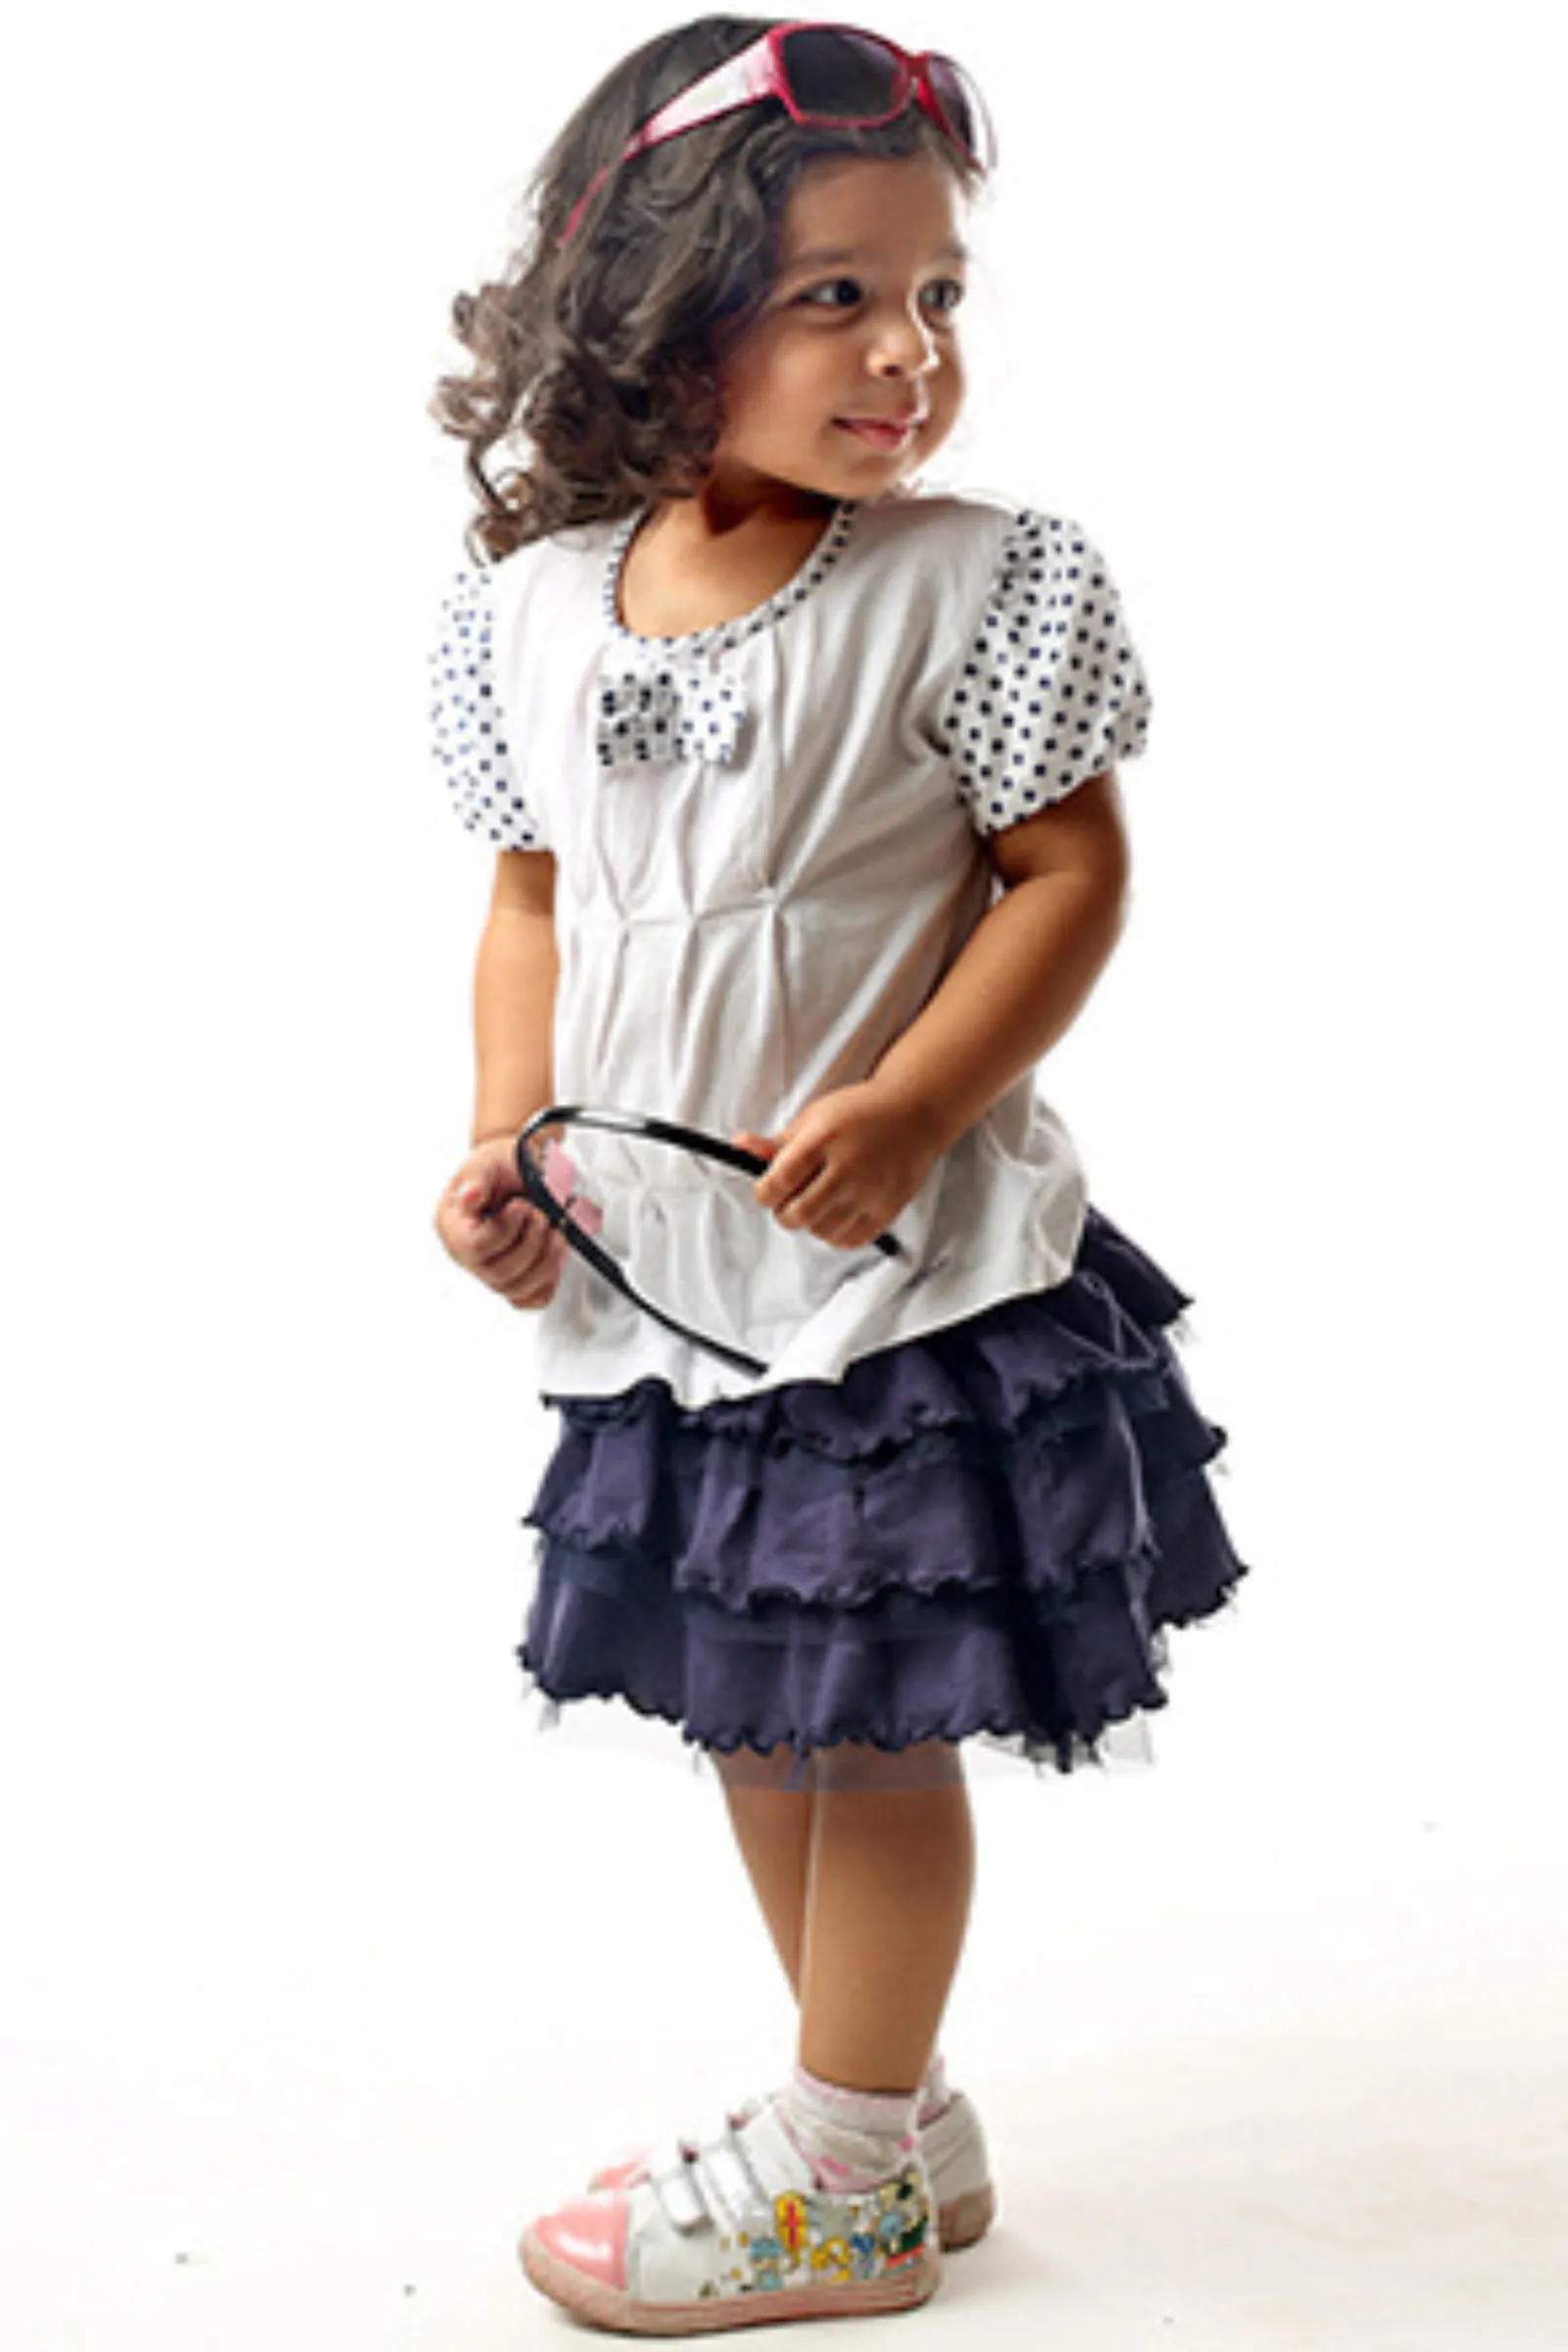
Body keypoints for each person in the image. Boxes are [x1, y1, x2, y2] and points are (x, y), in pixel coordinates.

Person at [425, 15, 1250, 2334]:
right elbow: (530, 898)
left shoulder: (979, 582)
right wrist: (504, 1136)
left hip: (894, 1284)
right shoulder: (531, 606)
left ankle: (842, 2173)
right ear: (650, 307)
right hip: (665, 1283)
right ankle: (873, 2110)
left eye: (936, 295)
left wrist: (906, 1100)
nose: (908, 351)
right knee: (755, 1712)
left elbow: (1064, 879)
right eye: (834, 299)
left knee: (864, 1732)